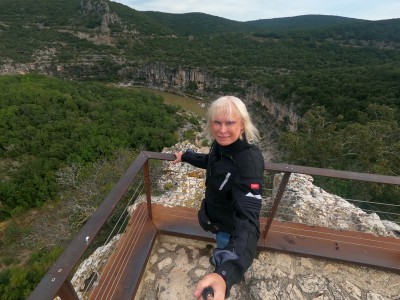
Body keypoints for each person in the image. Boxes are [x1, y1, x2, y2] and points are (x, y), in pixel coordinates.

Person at [172, 96, 265, 299]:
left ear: (243, 125)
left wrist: (225, 273)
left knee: (223, 248)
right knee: (219, 242)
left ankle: (223, 263)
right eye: (217, 122)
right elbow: (211, 161)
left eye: (230, 122)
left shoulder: (249, 161)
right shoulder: (220, 146)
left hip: (229, 229)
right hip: (215, 220)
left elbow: (248, 220)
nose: (222, 130)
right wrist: (186, 156)